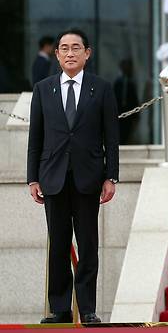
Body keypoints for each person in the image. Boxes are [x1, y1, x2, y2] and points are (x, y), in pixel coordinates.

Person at [27, 28, 119, 324]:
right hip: (52, 177)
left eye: (76, 48)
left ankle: (88, 308)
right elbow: (35, 138)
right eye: (64, 48)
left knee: (88, 243)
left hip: (88, 177)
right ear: (56, 55)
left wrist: (111, 176)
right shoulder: (43, 88)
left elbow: (111, 137)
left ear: (87, 53)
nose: (70, 53)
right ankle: (60, 308)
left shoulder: (101, 88)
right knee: (59, 244)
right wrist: (32, 178)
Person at [113, 58, 139, 144]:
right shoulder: (117, 83)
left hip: (129, 111)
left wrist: (136, 114)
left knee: (127, 131)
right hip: (119, 111)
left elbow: (134, 99)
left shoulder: (131, 83)